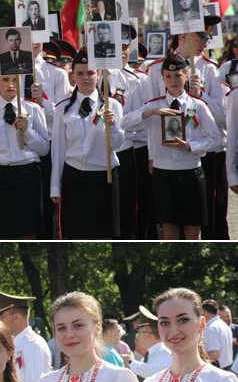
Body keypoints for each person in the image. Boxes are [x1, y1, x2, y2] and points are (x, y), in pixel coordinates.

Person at [124, 52, 222, 239]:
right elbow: (124, 123)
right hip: (164, 173)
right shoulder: (154, 105)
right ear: (162, 79)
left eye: (178, 75)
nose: (173, 80)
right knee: (169, 228)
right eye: (168, 76)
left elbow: (214, 139)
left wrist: (191, 146)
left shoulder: (198, 105)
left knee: (193, 229)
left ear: (185, 76)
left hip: (191, 171)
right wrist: (151, 112)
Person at [50, 49, 124, 240]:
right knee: (76, 233)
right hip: (75, 177)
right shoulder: (63, 108)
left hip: (104, 177)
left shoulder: (112, 105)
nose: (85, 78)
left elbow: (118, 145)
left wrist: (113, 125)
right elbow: (58, 150)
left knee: (107, 234)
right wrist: (55, 187)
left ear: (98, 74)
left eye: (90, 72)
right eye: (80, 73)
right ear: (72, 76)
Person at [0, 63, 49, 238]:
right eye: (5, 79)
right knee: (3, 233)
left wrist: (28, 132)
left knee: (29, 232)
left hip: (27, 175)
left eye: (15, 80)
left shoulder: (33, 109)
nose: (10, 85)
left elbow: (45, 149)